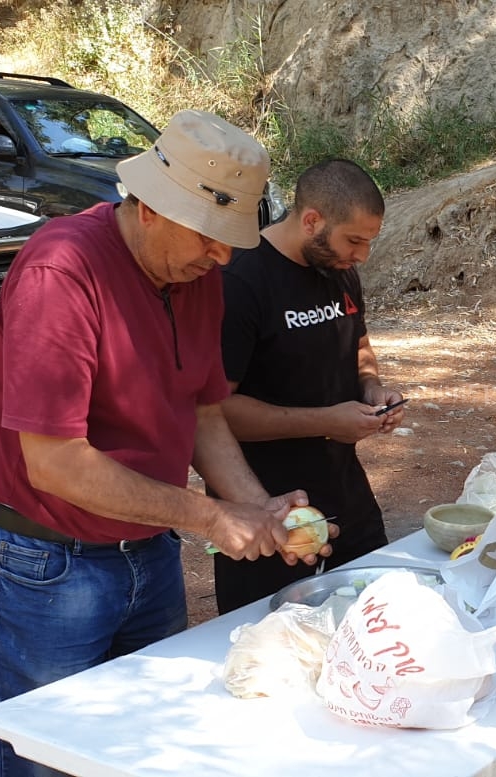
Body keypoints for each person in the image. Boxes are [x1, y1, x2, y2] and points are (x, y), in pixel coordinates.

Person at [0, 110, 331, 777]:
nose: (221, 256)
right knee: (49, 755)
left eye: (231, 241)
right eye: (209, 236)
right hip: (50, 563)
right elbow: (53, 463)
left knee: (151, 748)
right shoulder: (64, 271)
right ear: (149, 208)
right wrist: (210, 516)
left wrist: (259, 507)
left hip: (149, 548)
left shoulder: (196, 277)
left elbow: (202, 407)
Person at [214, 158, 402, 614]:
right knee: (272, 644)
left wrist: (373, 387)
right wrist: (326, 422)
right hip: (266, 507)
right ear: (312, 220)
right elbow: (217, 412)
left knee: (373, 619)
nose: (362, 255)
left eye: (368, 243)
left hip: (348, 495)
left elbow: (358, 343)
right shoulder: (239, 281)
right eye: (354, 240)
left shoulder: (338, 271)